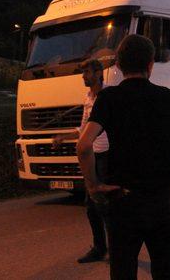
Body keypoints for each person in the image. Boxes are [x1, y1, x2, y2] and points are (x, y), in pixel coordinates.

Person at [76, 34, 170, 279]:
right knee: (163, 272)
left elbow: (84, 145)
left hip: (123, 203)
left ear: (118, 66)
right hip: (160, 202)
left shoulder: (109, 99)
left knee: (123, 271)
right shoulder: (168, 98)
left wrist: (93, 186)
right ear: (151, 64)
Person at [53, 58, 109, 263]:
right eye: (83, 72)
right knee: (92, 204)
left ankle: (119, 247)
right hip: (92, 156)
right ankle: (100, 248)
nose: (83, 76)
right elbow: (84, 128)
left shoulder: (107, 96)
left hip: (106, 156)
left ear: (98, 73)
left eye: (87, 72)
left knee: (105, 204)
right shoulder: (88, 98)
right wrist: (63, 137)